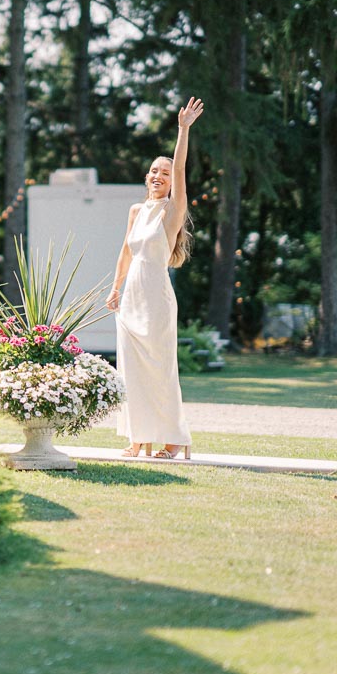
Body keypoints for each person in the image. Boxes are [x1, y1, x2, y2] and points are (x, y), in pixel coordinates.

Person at [106, 97, 203, 459]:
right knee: (131, 371)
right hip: (130, 298)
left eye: (164, 173)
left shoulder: (172, 211)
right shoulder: (136, 210)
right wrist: (115, 288)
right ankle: (138, 439)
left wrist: (183, 129)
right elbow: (126, 252)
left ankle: (174, 440)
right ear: (146, 177)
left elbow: (180, 172)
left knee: (160, 370)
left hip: (156, 299)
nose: (159, 176)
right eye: (154, 171)